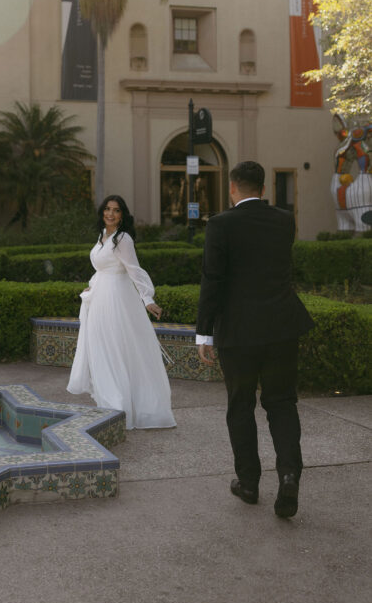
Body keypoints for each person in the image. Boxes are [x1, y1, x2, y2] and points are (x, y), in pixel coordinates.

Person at [196, 160, 314, 518]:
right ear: (264, 189)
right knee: (282, 403)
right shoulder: (283, 221)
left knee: (241, 405)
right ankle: (289, 477)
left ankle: (248, 484)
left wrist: (204, 332)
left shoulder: (220, 224)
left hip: (239, 331)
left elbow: (212, 280)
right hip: (281, 326)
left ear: (233, 188)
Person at [67, 195, 176, 430]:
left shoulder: (122, 239)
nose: (110, 214)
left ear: (122, 215)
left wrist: (148, 299)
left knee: (116, 348)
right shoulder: (102, 237)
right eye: (107, 209)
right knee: (102, 349)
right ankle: (110, 403)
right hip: (99, 300)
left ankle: (119, 405)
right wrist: (92, 285)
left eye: (116, 210)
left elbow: (134, 270)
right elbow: (102, 268)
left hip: (117, 300)